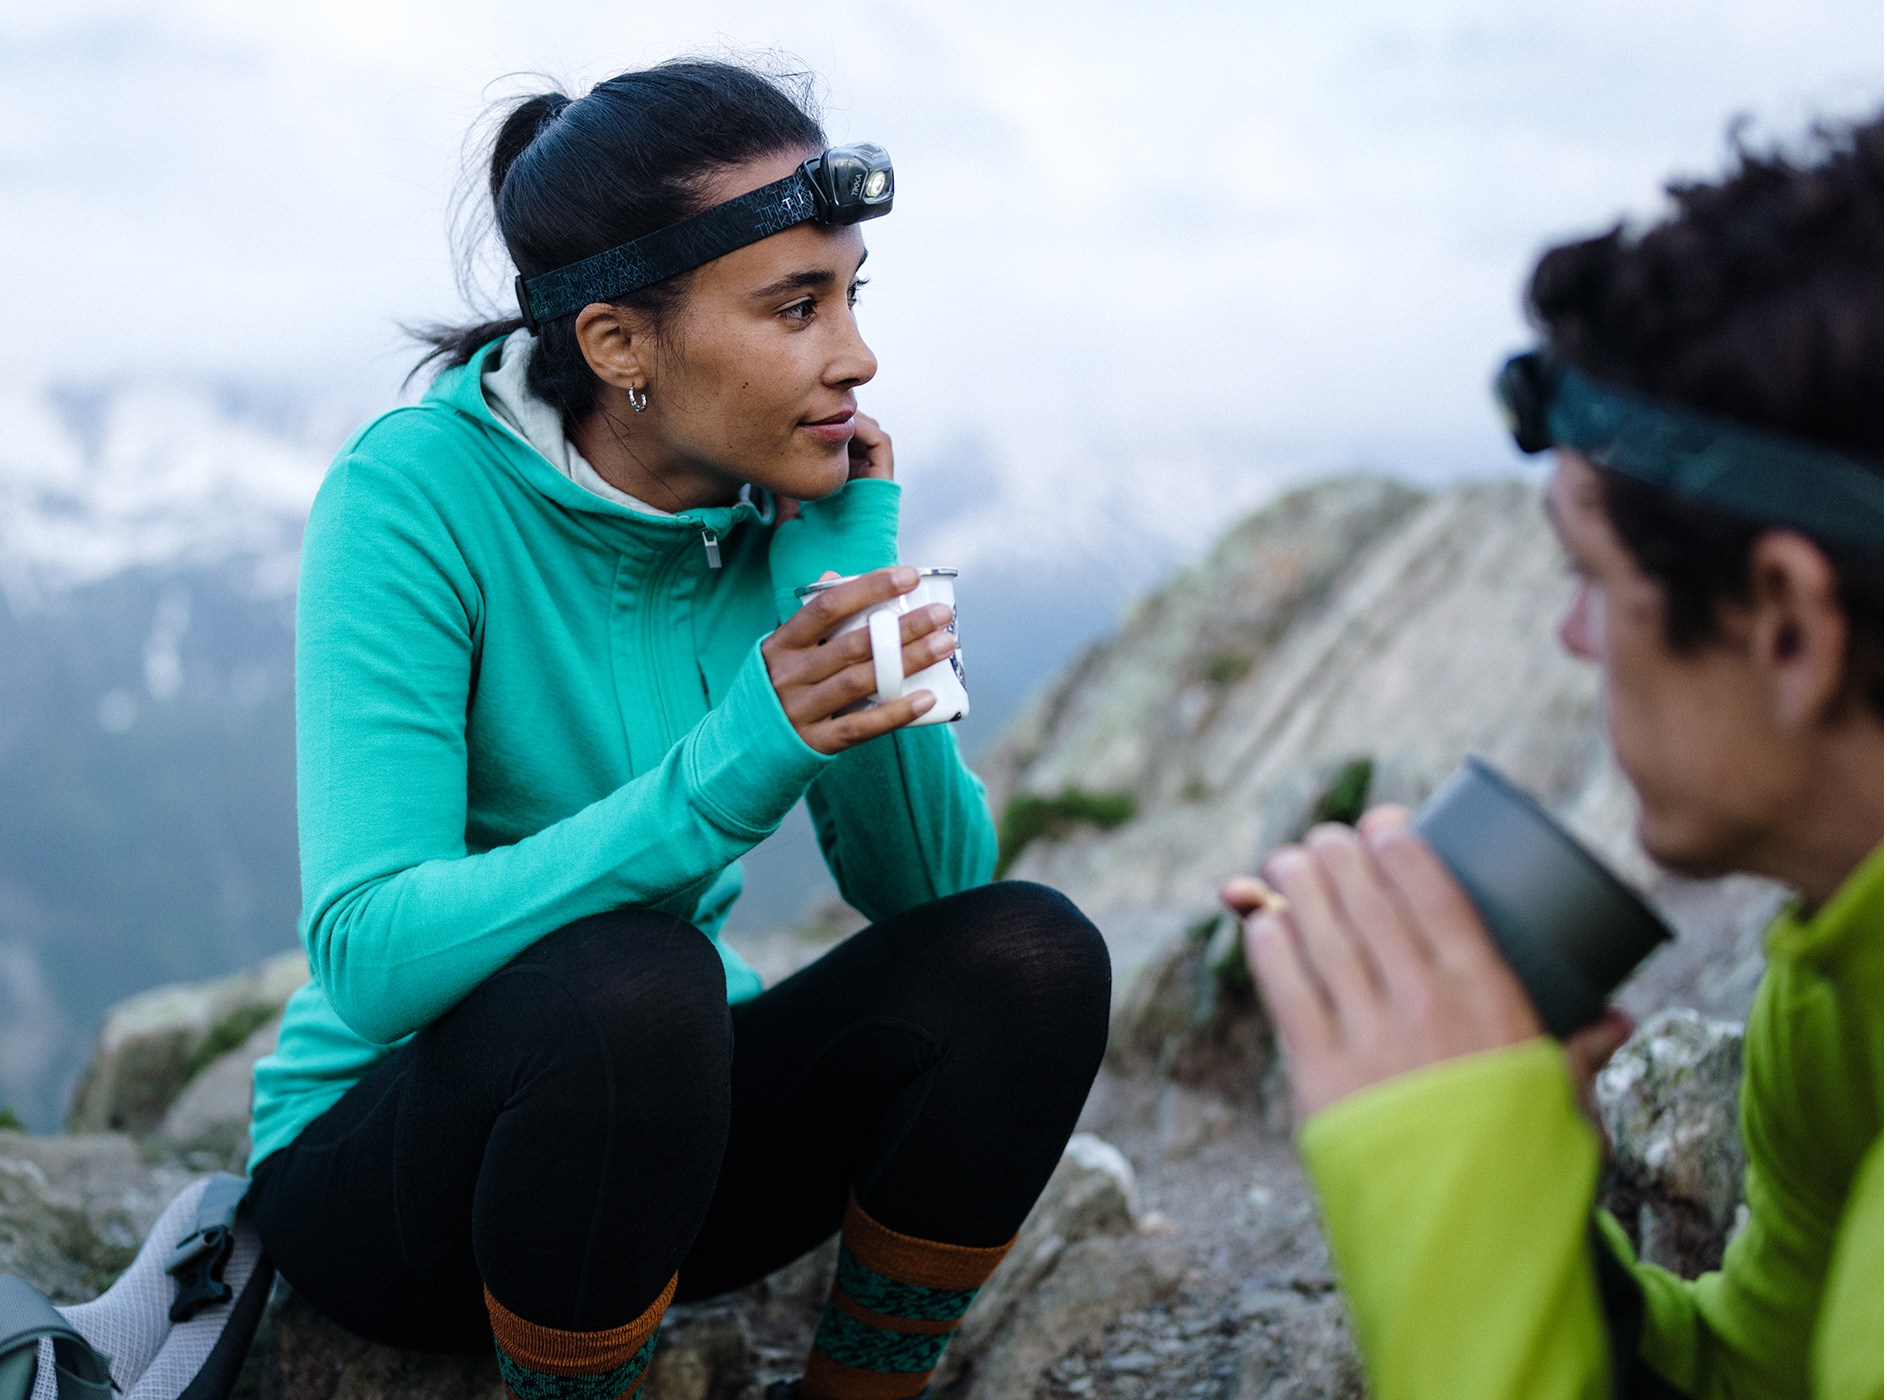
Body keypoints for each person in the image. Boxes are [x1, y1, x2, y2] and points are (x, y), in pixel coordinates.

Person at [242, 60, 1111, 1400]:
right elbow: (369, 955)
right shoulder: (412, 497)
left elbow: (931, 896)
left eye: (851, 296)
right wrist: (731, 766)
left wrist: (846, 588)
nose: (856, 355)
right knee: (638, 983)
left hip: (660, 1153)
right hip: (400, 1177)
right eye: (795, 306)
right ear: (618, 345)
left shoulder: (776, 514)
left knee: (1033, 956)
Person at [1228, 119, 1881, 1399]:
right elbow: (1772, 1370)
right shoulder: (1838, 1003)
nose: (1569, 633)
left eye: (1590, 574)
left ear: (1790, 624)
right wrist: (1539, 1189)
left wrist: (1445, 1170)